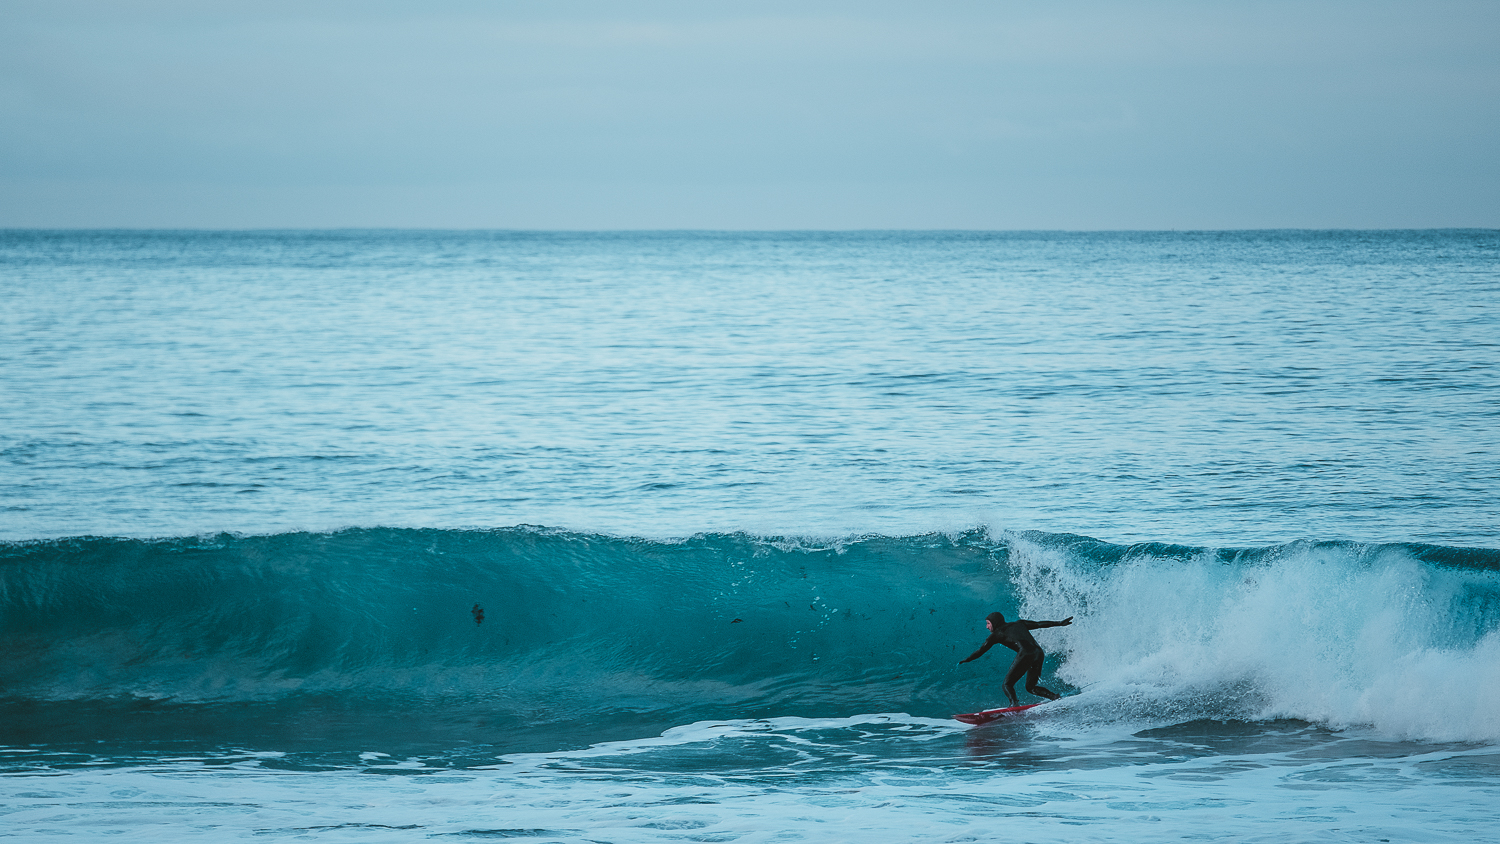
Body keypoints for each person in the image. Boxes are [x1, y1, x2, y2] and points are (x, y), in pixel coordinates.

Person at [958, 611, 1073, 706]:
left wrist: (967, 659)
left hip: (1026, 653)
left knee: (1007, 684)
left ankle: (1014, 704)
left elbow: (980, 651)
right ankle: (1054, 697)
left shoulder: (996, 634)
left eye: (988, 623)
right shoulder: (1020, 623)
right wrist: (1059, 623)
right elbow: (1038, 624)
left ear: (995, 622)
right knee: (1031, 687)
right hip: (1038, 653)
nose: (987, 626)